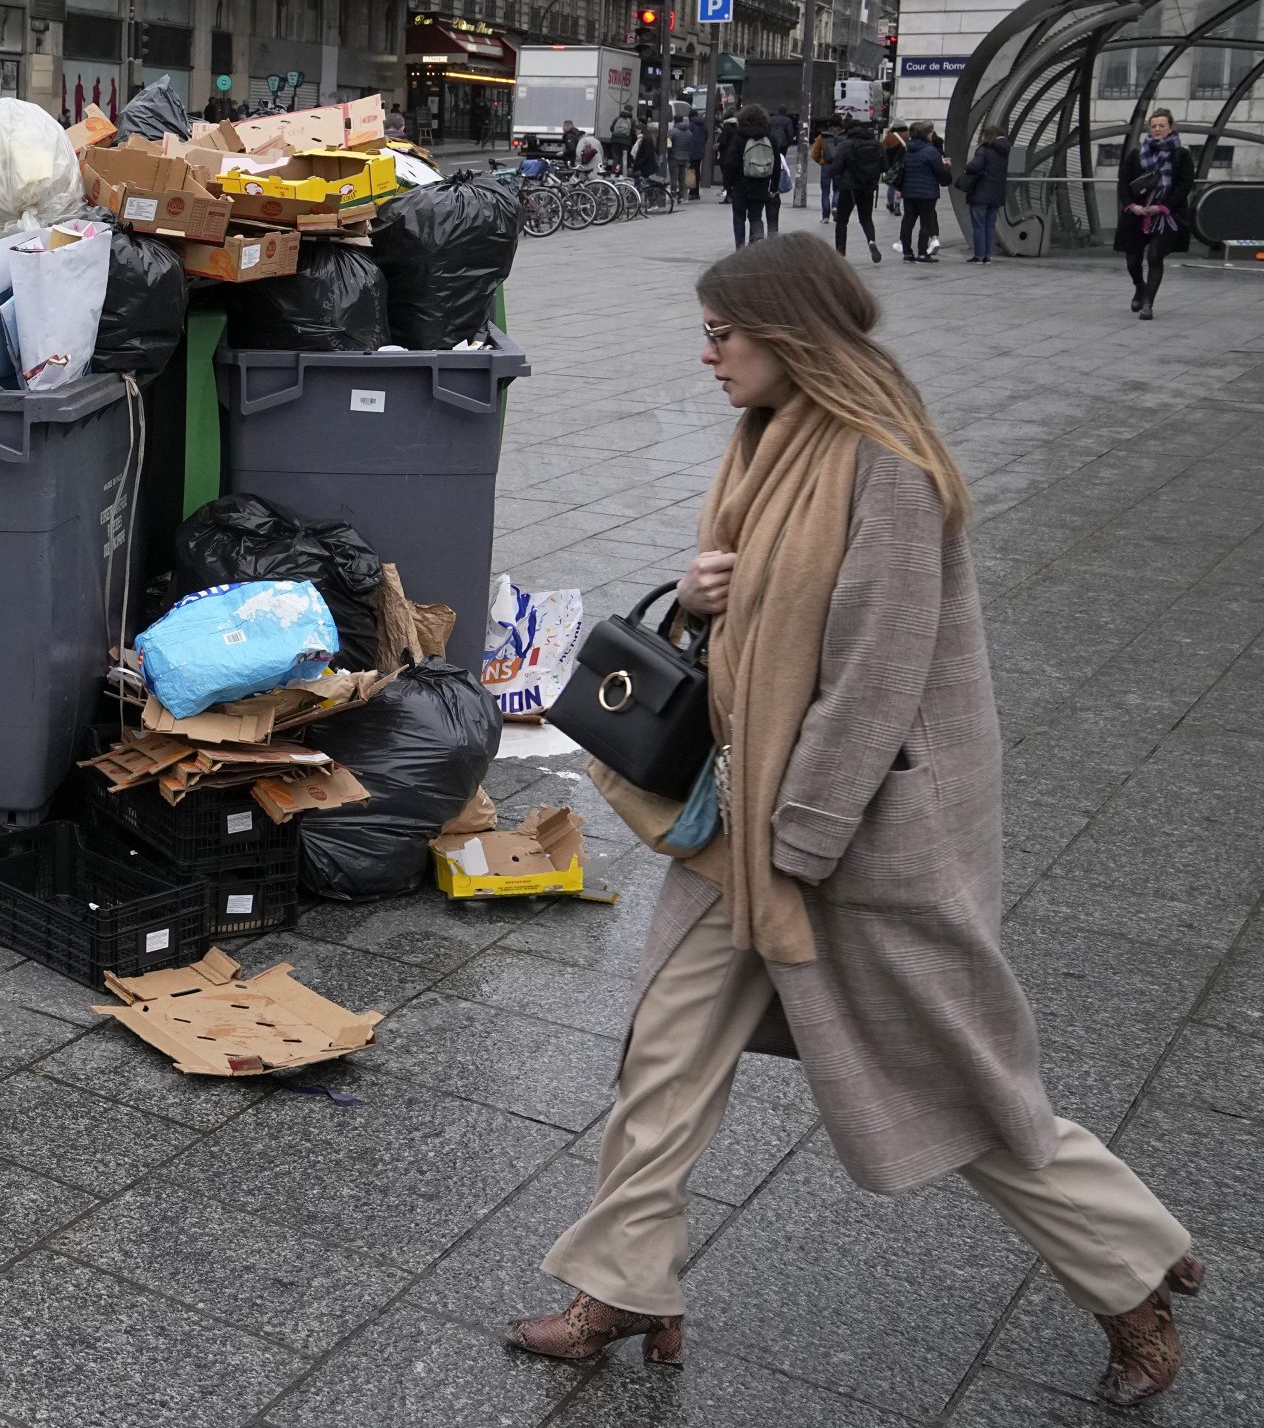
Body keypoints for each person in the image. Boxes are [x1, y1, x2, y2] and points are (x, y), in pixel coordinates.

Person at [507, 232, 1202, 1410]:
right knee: (664, 1062)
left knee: (950, 1086)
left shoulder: (884, 464)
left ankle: (1130, 1274)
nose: (707, 352)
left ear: (788, 334)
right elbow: (752, 639)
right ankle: (625, 1286)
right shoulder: (767, 440)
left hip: (847, 845)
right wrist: (694, 600)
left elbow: (878, 673)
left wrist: (806, 839)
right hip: (740, 826)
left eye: (724, 332)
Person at [1117, 108, 1195, 319]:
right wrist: (1132, 206)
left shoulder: (1181, 155)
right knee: (1132, 259)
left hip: (1165, 216)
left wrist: (1162, 207)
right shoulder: (1136, 153)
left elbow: (1184, 185)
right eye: (1154, 126)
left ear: (1171, 127)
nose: (1158, 129)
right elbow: (1123, 183)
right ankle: (1139, 287)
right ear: (1149, 129)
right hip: (1138, 214)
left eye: (1162, 125)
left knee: (1154, 257)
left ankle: (1148, 304)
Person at [721, 103, 780, 247]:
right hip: (761, 184)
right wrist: (774, 186)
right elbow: (777, 164)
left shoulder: (739, 138)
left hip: (741, 185)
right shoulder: (770, 139)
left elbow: (729, 163)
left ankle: (740, 248)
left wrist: (730, 185)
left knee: (739, 218)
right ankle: (756, 247)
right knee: (756, 217)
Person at [826, 119, 884, 264]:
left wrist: (838, 178)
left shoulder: (846, 144)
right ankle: (871, 241)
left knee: (842, 220)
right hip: (868, 187)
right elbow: (885, 166)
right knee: (866, 218)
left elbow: (836, 168)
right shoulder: (876, 144)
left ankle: (840, 251)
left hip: (849, 188)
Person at [897, 122, 949, 264]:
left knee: (908, 221)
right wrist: (946, 171)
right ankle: (921, 253)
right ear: (926, 134)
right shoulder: (931, 151)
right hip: (927, 193)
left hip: (909, 191)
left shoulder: (908, 150)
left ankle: (907, 253)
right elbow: (940, 172)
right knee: (925, 222)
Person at [964, 122, 1010, 264]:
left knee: (979, 225)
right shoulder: (1005, 151)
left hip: (981, 192)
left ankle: (979, 255)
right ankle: (987, 256)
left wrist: (967, 167)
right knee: (990, 226)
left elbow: (975, 166)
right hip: (996, 193)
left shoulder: (984, 150)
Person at [880, 122, 908, 215]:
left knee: (891, 185)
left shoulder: (889, 137)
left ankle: (890, 203)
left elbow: (882, 151)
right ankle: (897, 205)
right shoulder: (908, 136)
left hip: (890, 165)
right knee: (899, 186)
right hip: (903, 165)